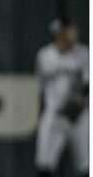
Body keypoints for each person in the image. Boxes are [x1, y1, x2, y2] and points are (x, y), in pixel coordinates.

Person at [35, 16, 89, 177]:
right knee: (44, 162)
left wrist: (73, 110)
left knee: (86, 163)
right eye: (67, 31)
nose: (71, 34)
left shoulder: (83, 54)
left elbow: (87, 86)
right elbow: (41, 86)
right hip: (54, 113)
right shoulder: (45, 55)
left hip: (78, 115)